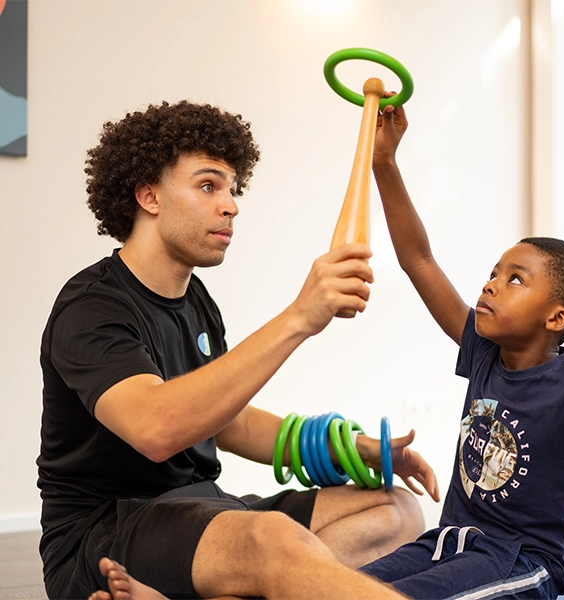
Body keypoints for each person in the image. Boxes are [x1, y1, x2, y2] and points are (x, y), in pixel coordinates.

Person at [37, 100, 439, 600]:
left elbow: (232, 423)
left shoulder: (197, 301)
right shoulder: (91, 307)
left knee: (395, 510)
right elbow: (156, 429)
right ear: (148, 196)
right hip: (105, 534)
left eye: (232, 188)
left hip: (201, 508)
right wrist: (298, 317)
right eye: (208, 186)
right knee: (272, 541)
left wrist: (350, 449)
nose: (230, 205)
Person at [356, 99, 564, 600]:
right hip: (448, 544)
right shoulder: (484, 349)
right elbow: (418, 259)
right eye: (493, 274)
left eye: (515, 280)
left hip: (522, 561)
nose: (491, 285)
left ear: (556, 318)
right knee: (333, 588)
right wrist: (384, 164)